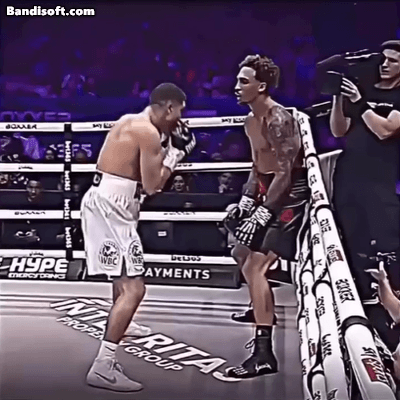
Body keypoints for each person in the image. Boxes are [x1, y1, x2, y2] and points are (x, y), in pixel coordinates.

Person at [80, 82, 196, 392]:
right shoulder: (147, 133)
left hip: (104, 198)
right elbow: (153, 185)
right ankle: (103, 366)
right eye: (180, 111)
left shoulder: (129, 120)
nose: (181, 118)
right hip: (114, 206)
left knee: (121, 277)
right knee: (135, 288)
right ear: (168, 108)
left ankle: (123, 323)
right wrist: (175, 154)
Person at [223, 55, 310, 379]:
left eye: (243, 81)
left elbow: (286, 173)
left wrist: (262, 214)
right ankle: (261, 307)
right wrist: (247, 200)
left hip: (289, 195)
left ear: (261, 86)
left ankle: (263, 355)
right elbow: (257, 165)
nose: (236, 86)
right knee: (239, 251)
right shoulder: (250, 121)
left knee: (254, 267)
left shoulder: (278, 119)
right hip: (266, 188)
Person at [330, 40, 400, 352]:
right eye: (383, 59)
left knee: (387, 244)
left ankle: (393, 313)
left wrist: (360, 103)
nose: (384, 64)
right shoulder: (365, 89)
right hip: (349, 175)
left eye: (392, 61)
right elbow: (339, 131)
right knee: (351, 241)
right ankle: (358, 308)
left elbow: (385, 130)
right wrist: (338, 97)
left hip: (381, 179)